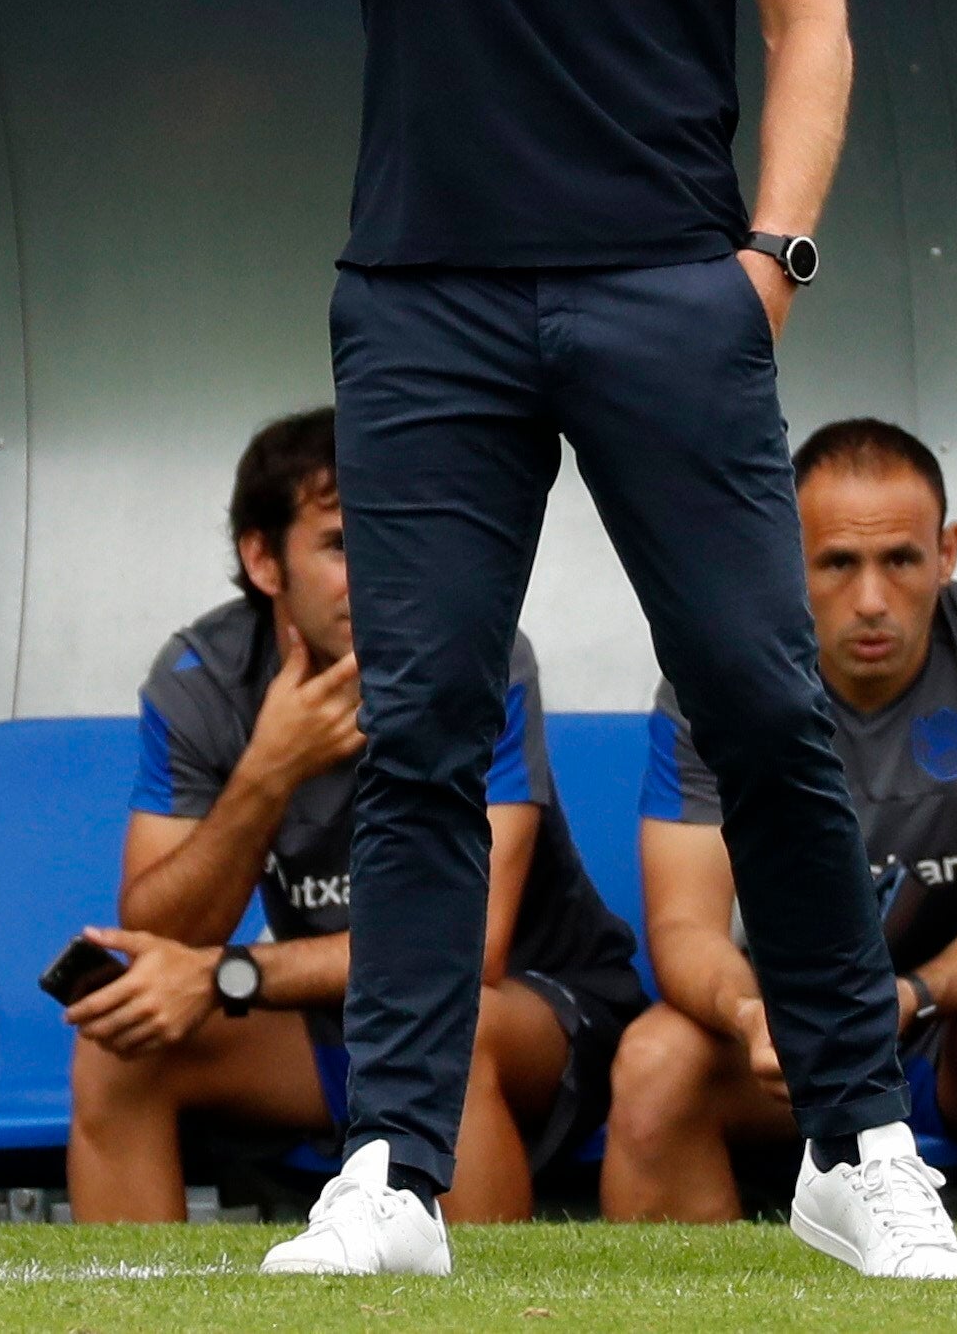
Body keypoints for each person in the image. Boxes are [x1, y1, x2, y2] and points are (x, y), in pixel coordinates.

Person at [160, 0, 957, 1281]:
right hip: (422, 300)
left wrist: (769, 260)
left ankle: (855, 1142)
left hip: (664, 288)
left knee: (761, 704)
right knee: (423, 730)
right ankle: (393, 1177)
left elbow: (809, 21)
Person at [65, 409, 645, 1225]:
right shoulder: (202, 679)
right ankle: (137, 1298)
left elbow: (466, 950)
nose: (377, 574)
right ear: (263, 560)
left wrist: (231, 975)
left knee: (445, 1024)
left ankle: (487, 1296)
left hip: (533, 1013)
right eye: (341, 545)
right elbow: (159, 936)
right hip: (340, 1020)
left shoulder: (475, 653)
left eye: (394, 538)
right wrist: (267, 772)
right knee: (117, 1049)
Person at [605, 418, 957, 1225]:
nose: (872, 600)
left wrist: (908, 995)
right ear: (783, 556)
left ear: (945, 553)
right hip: (798, 1006)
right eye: (838, 562)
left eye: (900, 560)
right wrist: (751, 1015)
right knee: (653, 1059)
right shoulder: (717, 678)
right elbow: (680, 928)